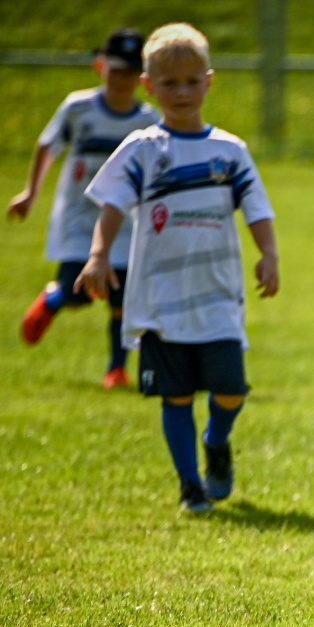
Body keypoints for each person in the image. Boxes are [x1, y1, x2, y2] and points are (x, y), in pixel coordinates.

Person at [77, 23, 280, 515]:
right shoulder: (142, 150)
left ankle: (217, 439)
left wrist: (269, 252)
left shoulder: (229, 151)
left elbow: (256, 206)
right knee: (176, 396)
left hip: (218, 295)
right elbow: (111, 207)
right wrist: (99, 255)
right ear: (150, 86)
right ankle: (190, 486)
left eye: (192, 81)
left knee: (231, 389)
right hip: (161, 300)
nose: (183, 92)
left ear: (209, 81)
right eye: (170, 84)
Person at [9, 28, 157, 389]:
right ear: (100, 66)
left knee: (121, 299)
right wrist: (31, 191)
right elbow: (48, 145)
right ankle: (55, 298)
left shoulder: (148, 120)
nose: (122, 80)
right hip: (79, 220)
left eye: (131, 72)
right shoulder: (78, 108)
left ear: (144, 78)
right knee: (78, 292)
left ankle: (116, 369)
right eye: (116, 70)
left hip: (125, 225)